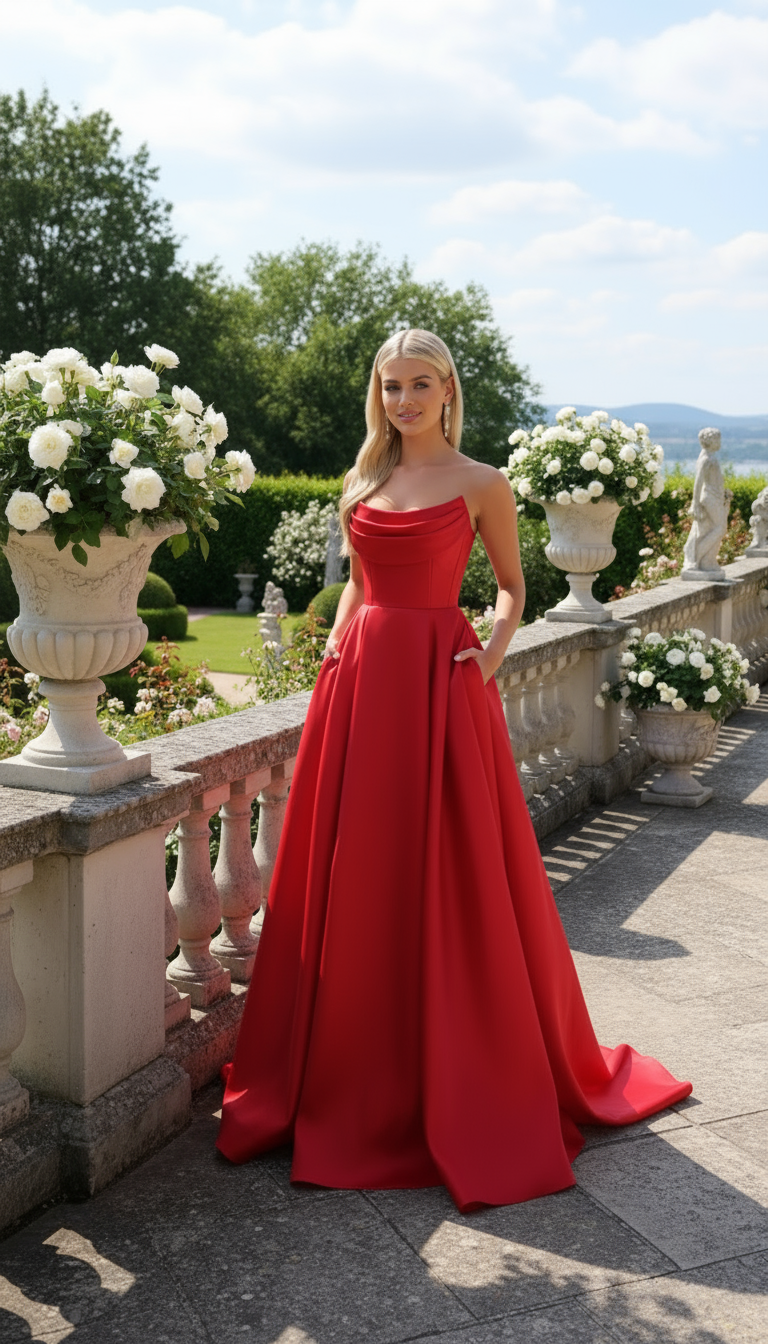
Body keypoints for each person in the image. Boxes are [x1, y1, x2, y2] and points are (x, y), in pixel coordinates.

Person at [217, 328, 691, 1211]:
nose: (404, 401)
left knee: (444, 870)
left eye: (420, 384)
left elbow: (514, 588)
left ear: (447, 390)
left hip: (440, 685)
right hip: (359, 686)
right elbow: (359, 584)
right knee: (354, 870)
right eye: (391, 386)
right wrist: (329, 659)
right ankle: (349, 1072)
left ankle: (459, 1073)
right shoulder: (363, 478)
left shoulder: (483, 483)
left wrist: (491, 653)